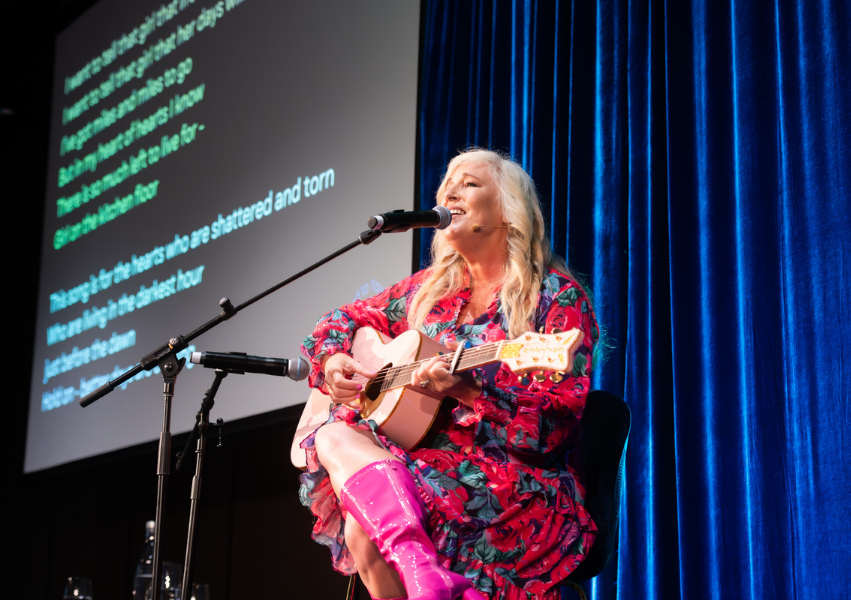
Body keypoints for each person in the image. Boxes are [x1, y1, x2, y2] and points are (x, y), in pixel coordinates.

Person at [298, 149, 599, 600]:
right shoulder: (430, 290)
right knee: (331, 436)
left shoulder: (554, 296)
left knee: (364, 525)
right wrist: (332, 361)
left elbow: (550, 432)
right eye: (446, 185)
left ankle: (426, 576)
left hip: (509, 484)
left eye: (470, 183)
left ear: (507, 206)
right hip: (421, 464)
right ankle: (426, 575)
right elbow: (339, 319)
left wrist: (471, 392)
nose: (450, 192)